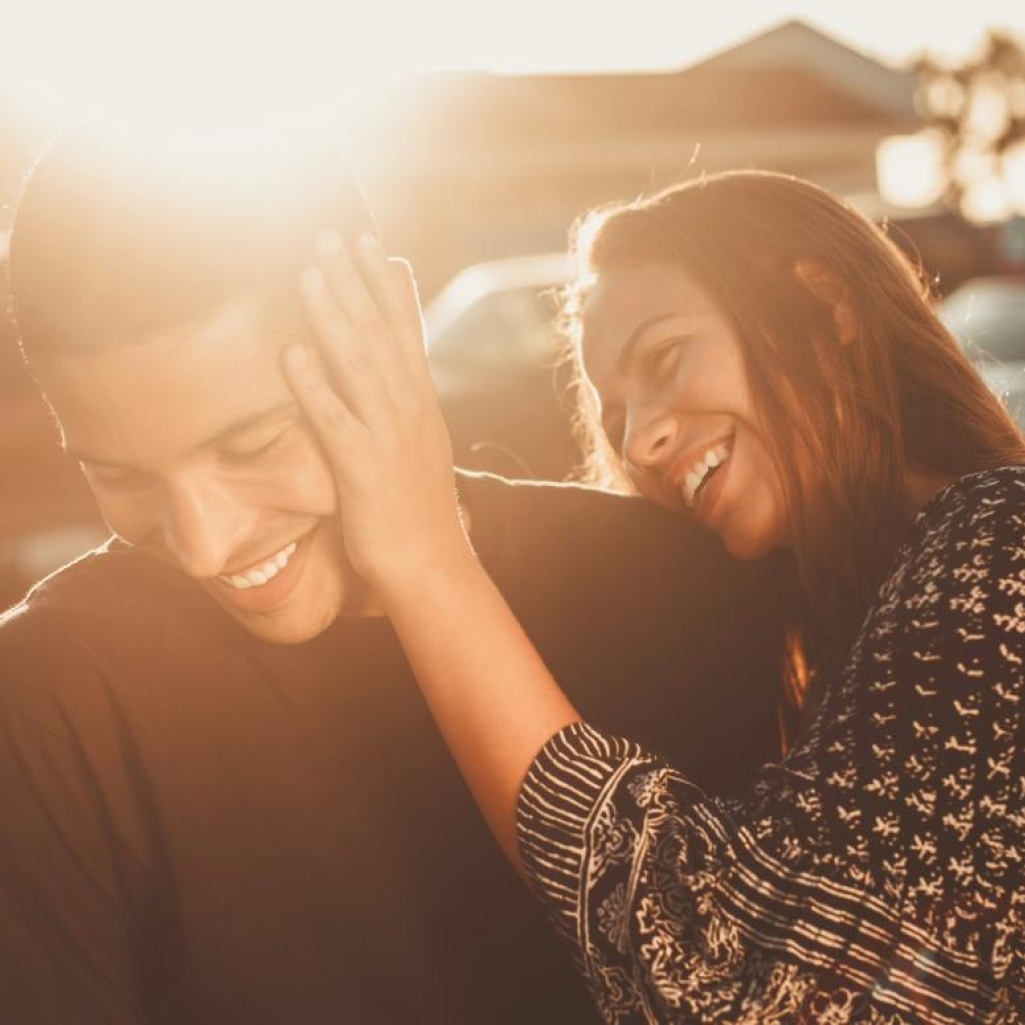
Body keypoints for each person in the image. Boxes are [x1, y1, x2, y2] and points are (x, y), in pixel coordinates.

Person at [0, 133, 789, 1023]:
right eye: (121, 476)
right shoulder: (44, 706)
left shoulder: (659, 586)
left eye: (252, 444)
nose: (202, 542)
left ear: (387, 334)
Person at [284, 170, 1025, 1021]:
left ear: (827, 309)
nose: (640, 440)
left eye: (664, 360)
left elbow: (747, 971)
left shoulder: (1001, 537)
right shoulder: (836, 647)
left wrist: (425, 557)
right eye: (614, 418)